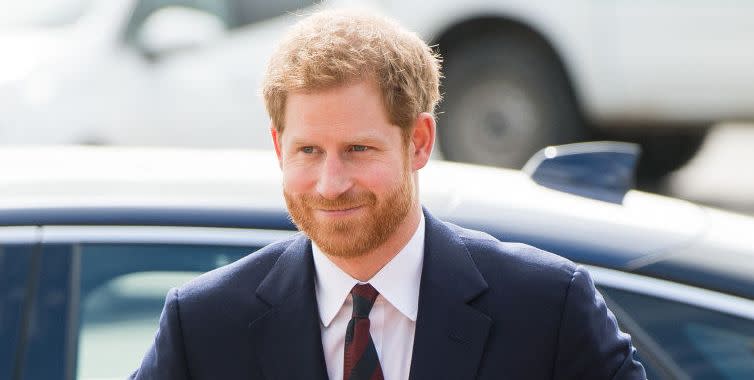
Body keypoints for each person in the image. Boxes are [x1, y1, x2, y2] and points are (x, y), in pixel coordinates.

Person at [130, 9, 646, 380]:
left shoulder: (548, 308)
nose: (330, 184)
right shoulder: (202, 326)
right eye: (308, 150)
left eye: (357, 149)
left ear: (418, 141)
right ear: (277, 145)